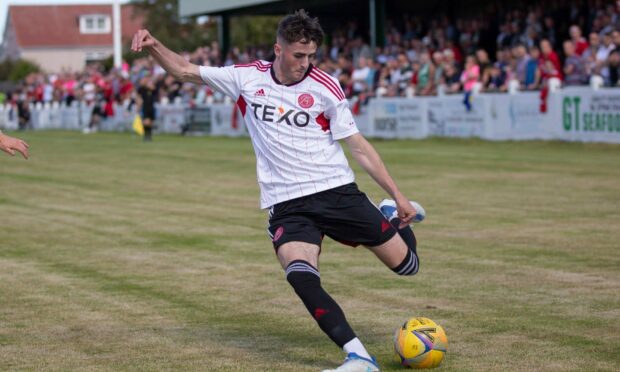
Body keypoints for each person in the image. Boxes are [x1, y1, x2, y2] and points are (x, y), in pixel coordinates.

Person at [132, 9, 425, 372]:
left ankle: (391, 216)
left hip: (336, 191)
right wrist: (155, 45)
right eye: (298, 55)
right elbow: (184, 70)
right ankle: (359, 357)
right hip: (286, 203)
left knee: (407, 267)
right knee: (300, 275)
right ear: (278, 49)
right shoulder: (246, 78)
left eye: (311, 56)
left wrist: (398, 196)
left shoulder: (325, 86)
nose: (305, 63)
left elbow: (360, 147)